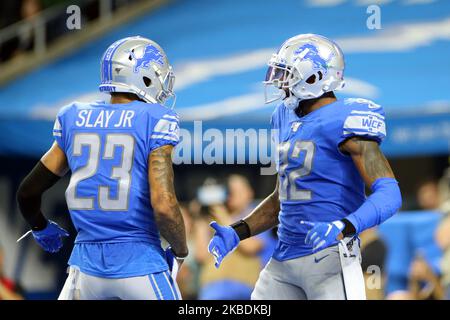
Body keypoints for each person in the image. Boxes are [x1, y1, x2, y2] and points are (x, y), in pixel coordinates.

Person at [207, 34, 402, 300]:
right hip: (284, 259)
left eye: (287, 74)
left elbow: (390, 193)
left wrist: (345, 225)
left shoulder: (346, 119)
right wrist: (238, 231)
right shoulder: (284, 116)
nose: (280, 82)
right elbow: (281, 200)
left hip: (330, 258)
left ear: (314, 77)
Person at [16, 36, 188, 300]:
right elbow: (163, 204)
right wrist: (180, 249)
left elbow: (27, 192)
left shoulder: (74, 116)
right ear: (143, 77)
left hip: (84, 271)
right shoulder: (156, 119)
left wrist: (40, 227)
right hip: (139, 264)